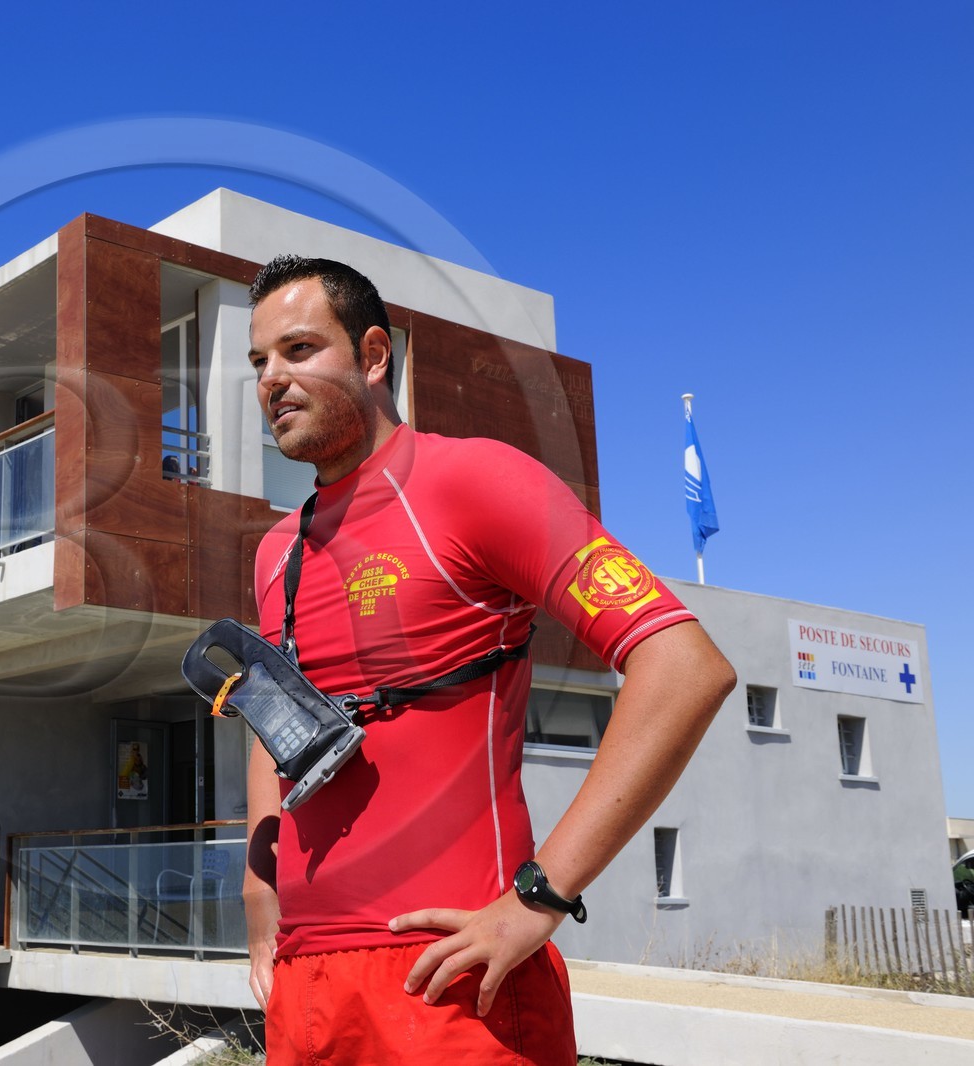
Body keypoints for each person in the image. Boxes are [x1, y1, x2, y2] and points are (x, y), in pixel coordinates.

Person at [242, 255, 736, 1064]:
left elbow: (685, 666)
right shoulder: (275, 553)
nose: (272, 378)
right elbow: (277, 727)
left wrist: (541, 897)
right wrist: (258, 889)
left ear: (373, 355)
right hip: (308, 988)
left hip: (453, 981)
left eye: (298, 350)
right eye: (259, 362)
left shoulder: (471, 481)